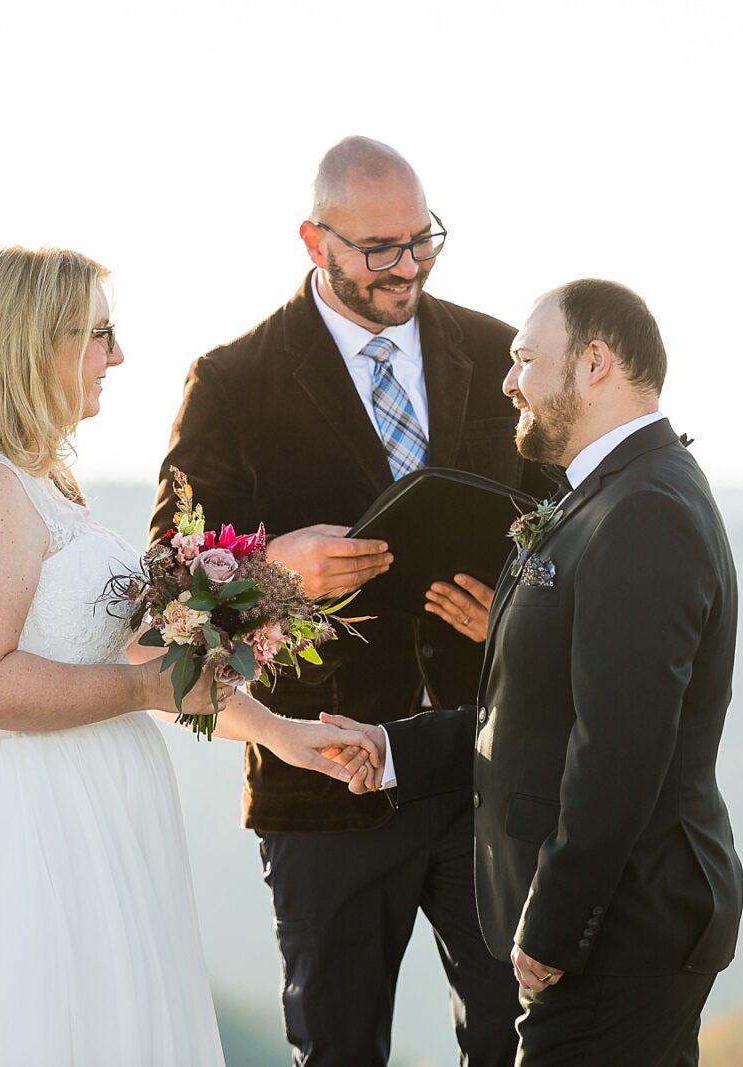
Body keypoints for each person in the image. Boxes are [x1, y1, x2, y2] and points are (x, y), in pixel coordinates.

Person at [0, 245, 377, 1067]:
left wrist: (278, 731)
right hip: (14, 822)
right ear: (37, 343)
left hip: (85, 813)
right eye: (100, 334)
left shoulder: (42, 485)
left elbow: (142, 651)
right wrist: (139, 690)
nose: (118, 356)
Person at [152, 137, 542, 1066]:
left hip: (489, 773)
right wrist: (275, 569)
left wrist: (517, 618)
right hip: (321, 785)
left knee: (521, 1045)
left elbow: (569, 532)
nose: (407, 267)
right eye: (379, 250)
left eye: (423, 241)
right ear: (312, 239)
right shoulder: (233, 382)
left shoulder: (504, 357)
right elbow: (162, 596)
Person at [327, 279, 743, 1066]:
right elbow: (542, 710)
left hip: (621, 932)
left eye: (524, 360)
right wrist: (392, 749)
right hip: (614, 930)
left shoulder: (643, 511)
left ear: (593, 364)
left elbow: (619, 747)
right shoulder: (608, 497)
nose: (508, 381)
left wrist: (554, 928)